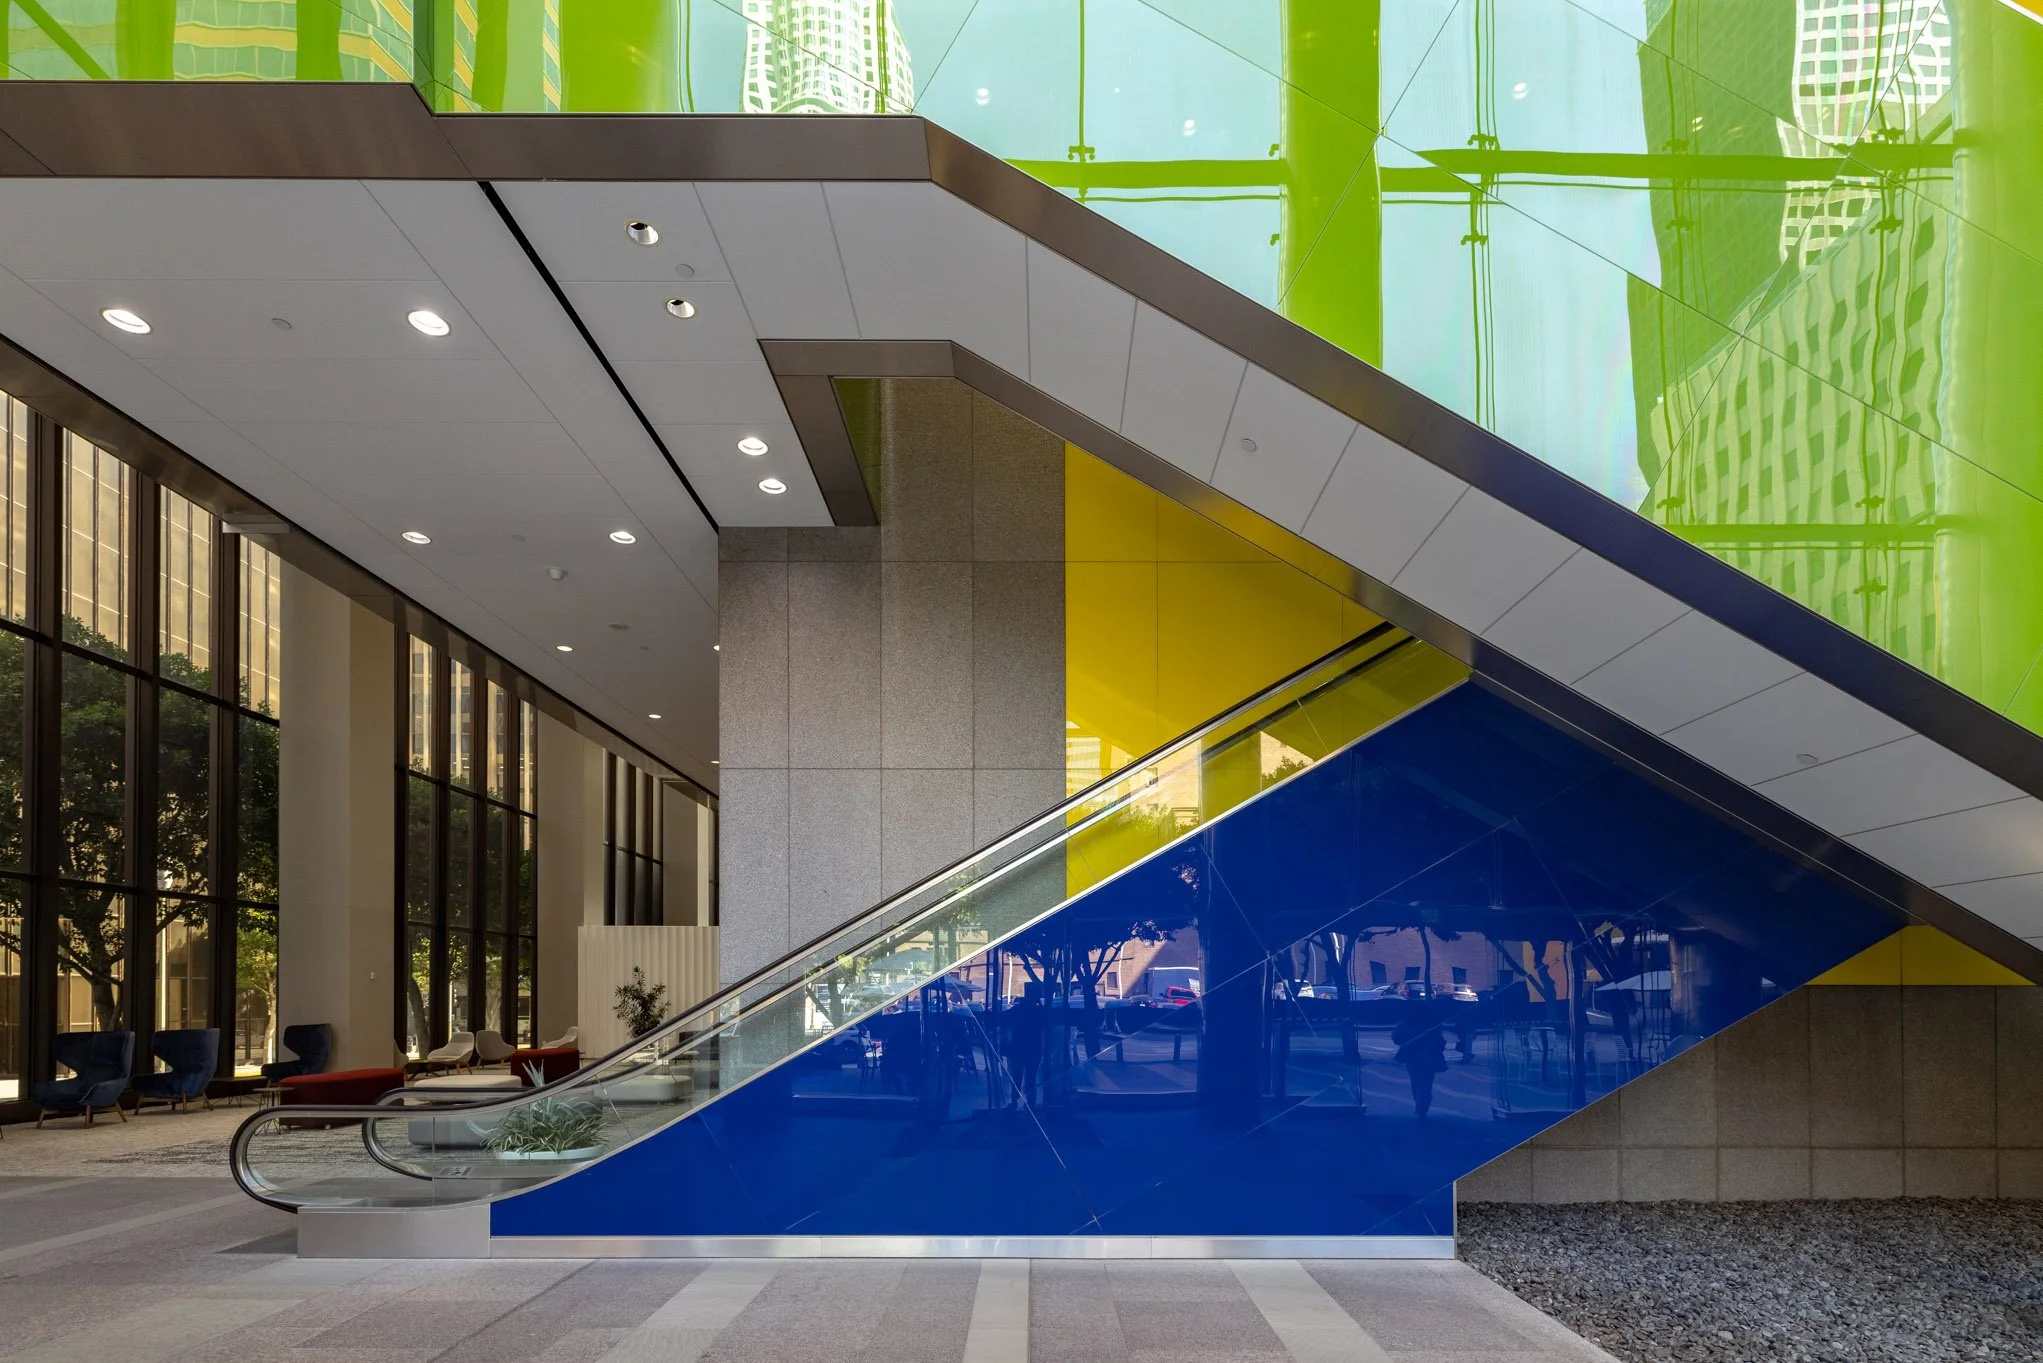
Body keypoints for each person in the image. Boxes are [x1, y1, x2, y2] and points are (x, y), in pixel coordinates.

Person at [1391, 997, 1449, 1118]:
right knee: (1427, 1081)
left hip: (1412, 1056)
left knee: (1416, 1081)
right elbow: (1440, 1040)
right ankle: (1423, 1104)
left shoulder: (1407, 1022)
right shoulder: (1432, 1022)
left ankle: (1420, 1102)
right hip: (1429, 1055)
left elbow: (1395, 1037)